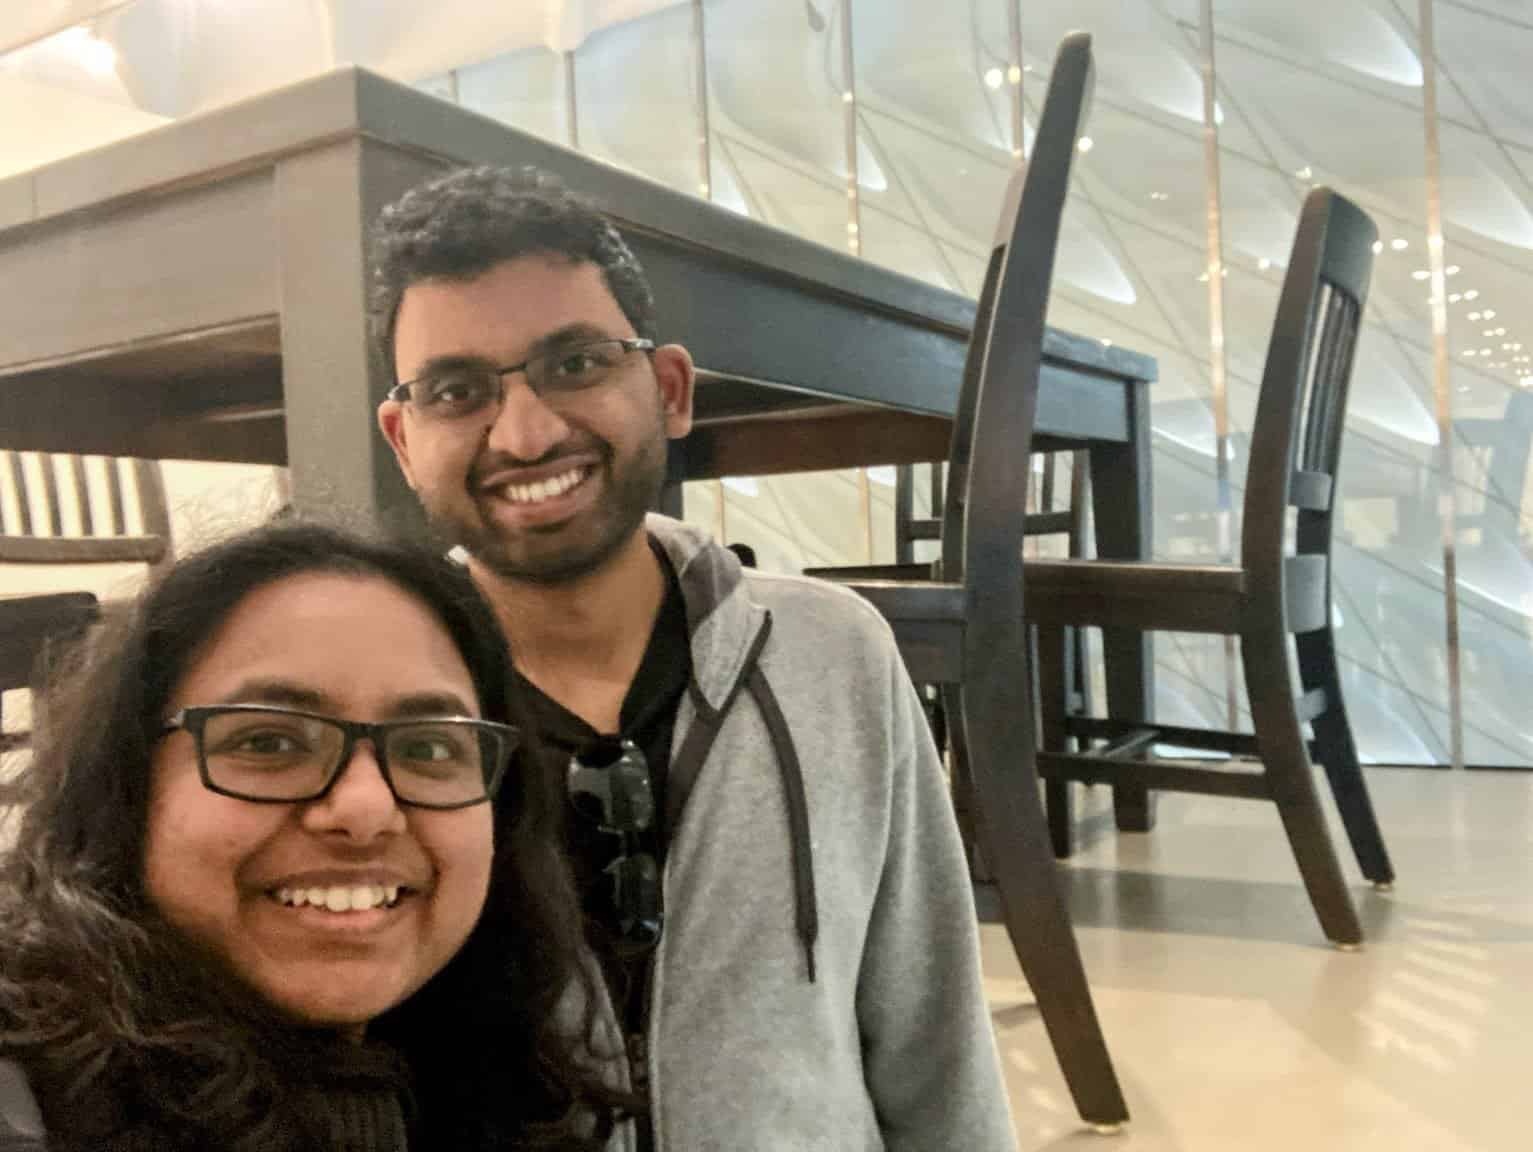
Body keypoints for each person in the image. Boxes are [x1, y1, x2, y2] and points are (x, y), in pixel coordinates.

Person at [372, 165, 1015, 1150]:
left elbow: (934, 1037)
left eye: (577, 362)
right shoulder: (365, 710)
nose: (529, 431)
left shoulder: (836, 658)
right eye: (457, 391)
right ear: (404, 439)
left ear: (669, 390)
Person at [0, 522, 622, 1152]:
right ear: (128, 788)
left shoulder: (520, 1054)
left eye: (430, 746)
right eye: (268, 742)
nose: (367, 810)